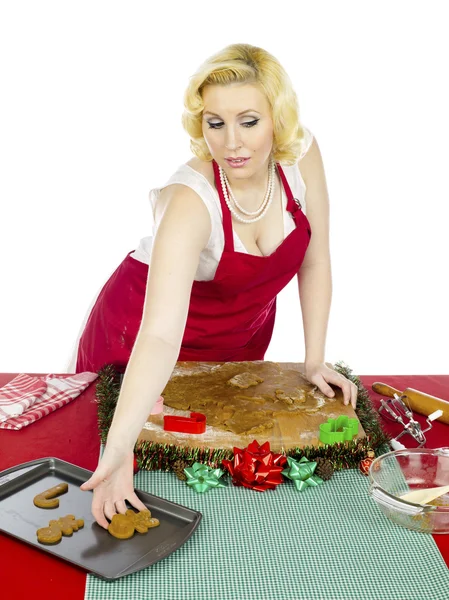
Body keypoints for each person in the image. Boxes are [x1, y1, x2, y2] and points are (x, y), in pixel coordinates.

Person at [78, 43, 358, 528]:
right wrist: (119, 447)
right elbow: (161, 334)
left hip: (237, 339)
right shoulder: (190, 199)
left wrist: (315, 358)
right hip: (141, 335)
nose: (232, 143)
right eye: (215, 123)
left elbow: (316, 258)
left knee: (227, 472)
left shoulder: (301, 155)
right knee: (149, 463)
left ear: (278, 119)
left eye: (249, 121)